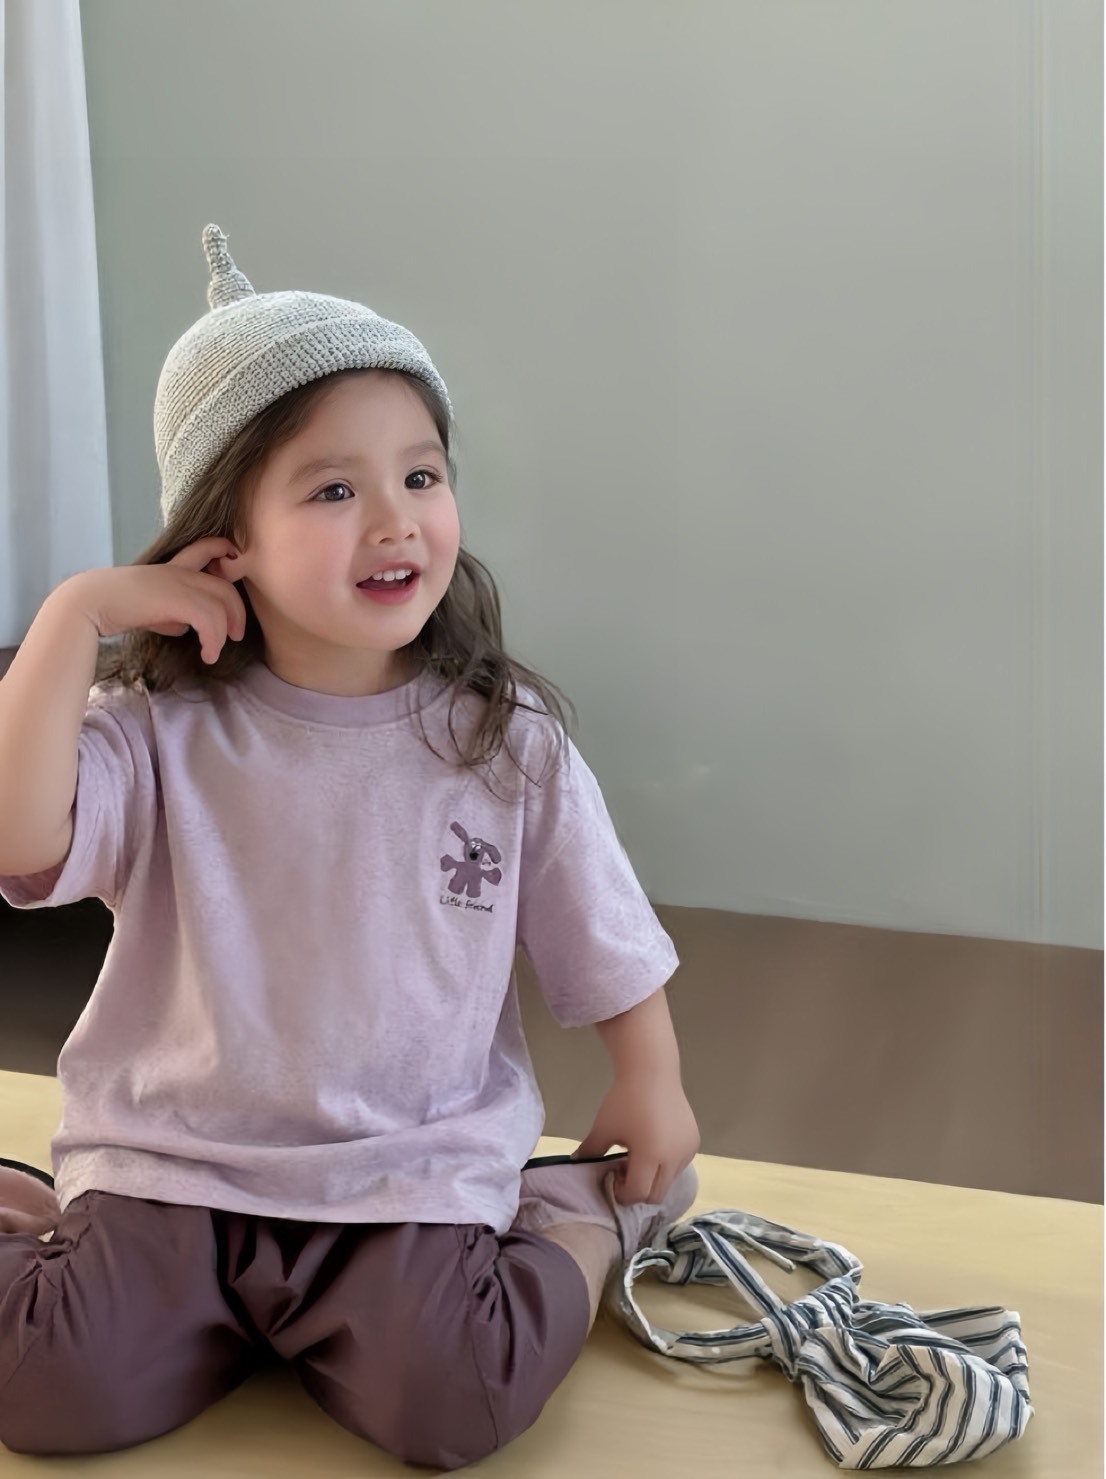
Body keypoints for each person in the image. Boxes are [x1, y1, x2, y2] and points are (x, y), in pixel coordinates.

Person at [0, 226, 700, 1467]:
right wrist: (75, 613)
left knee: (454, 1403)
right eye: (332, 491)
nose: (394, 522)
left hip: (405, 1172)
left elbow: (598, 932)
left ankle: (577, 1215)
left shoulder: (502, 741)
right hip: (176, 1165)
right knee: (51, 1392)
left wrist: (650, 1081)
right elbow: (18, 836)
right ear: (223, 545)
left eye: (421, 477)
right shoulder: (155, 734)